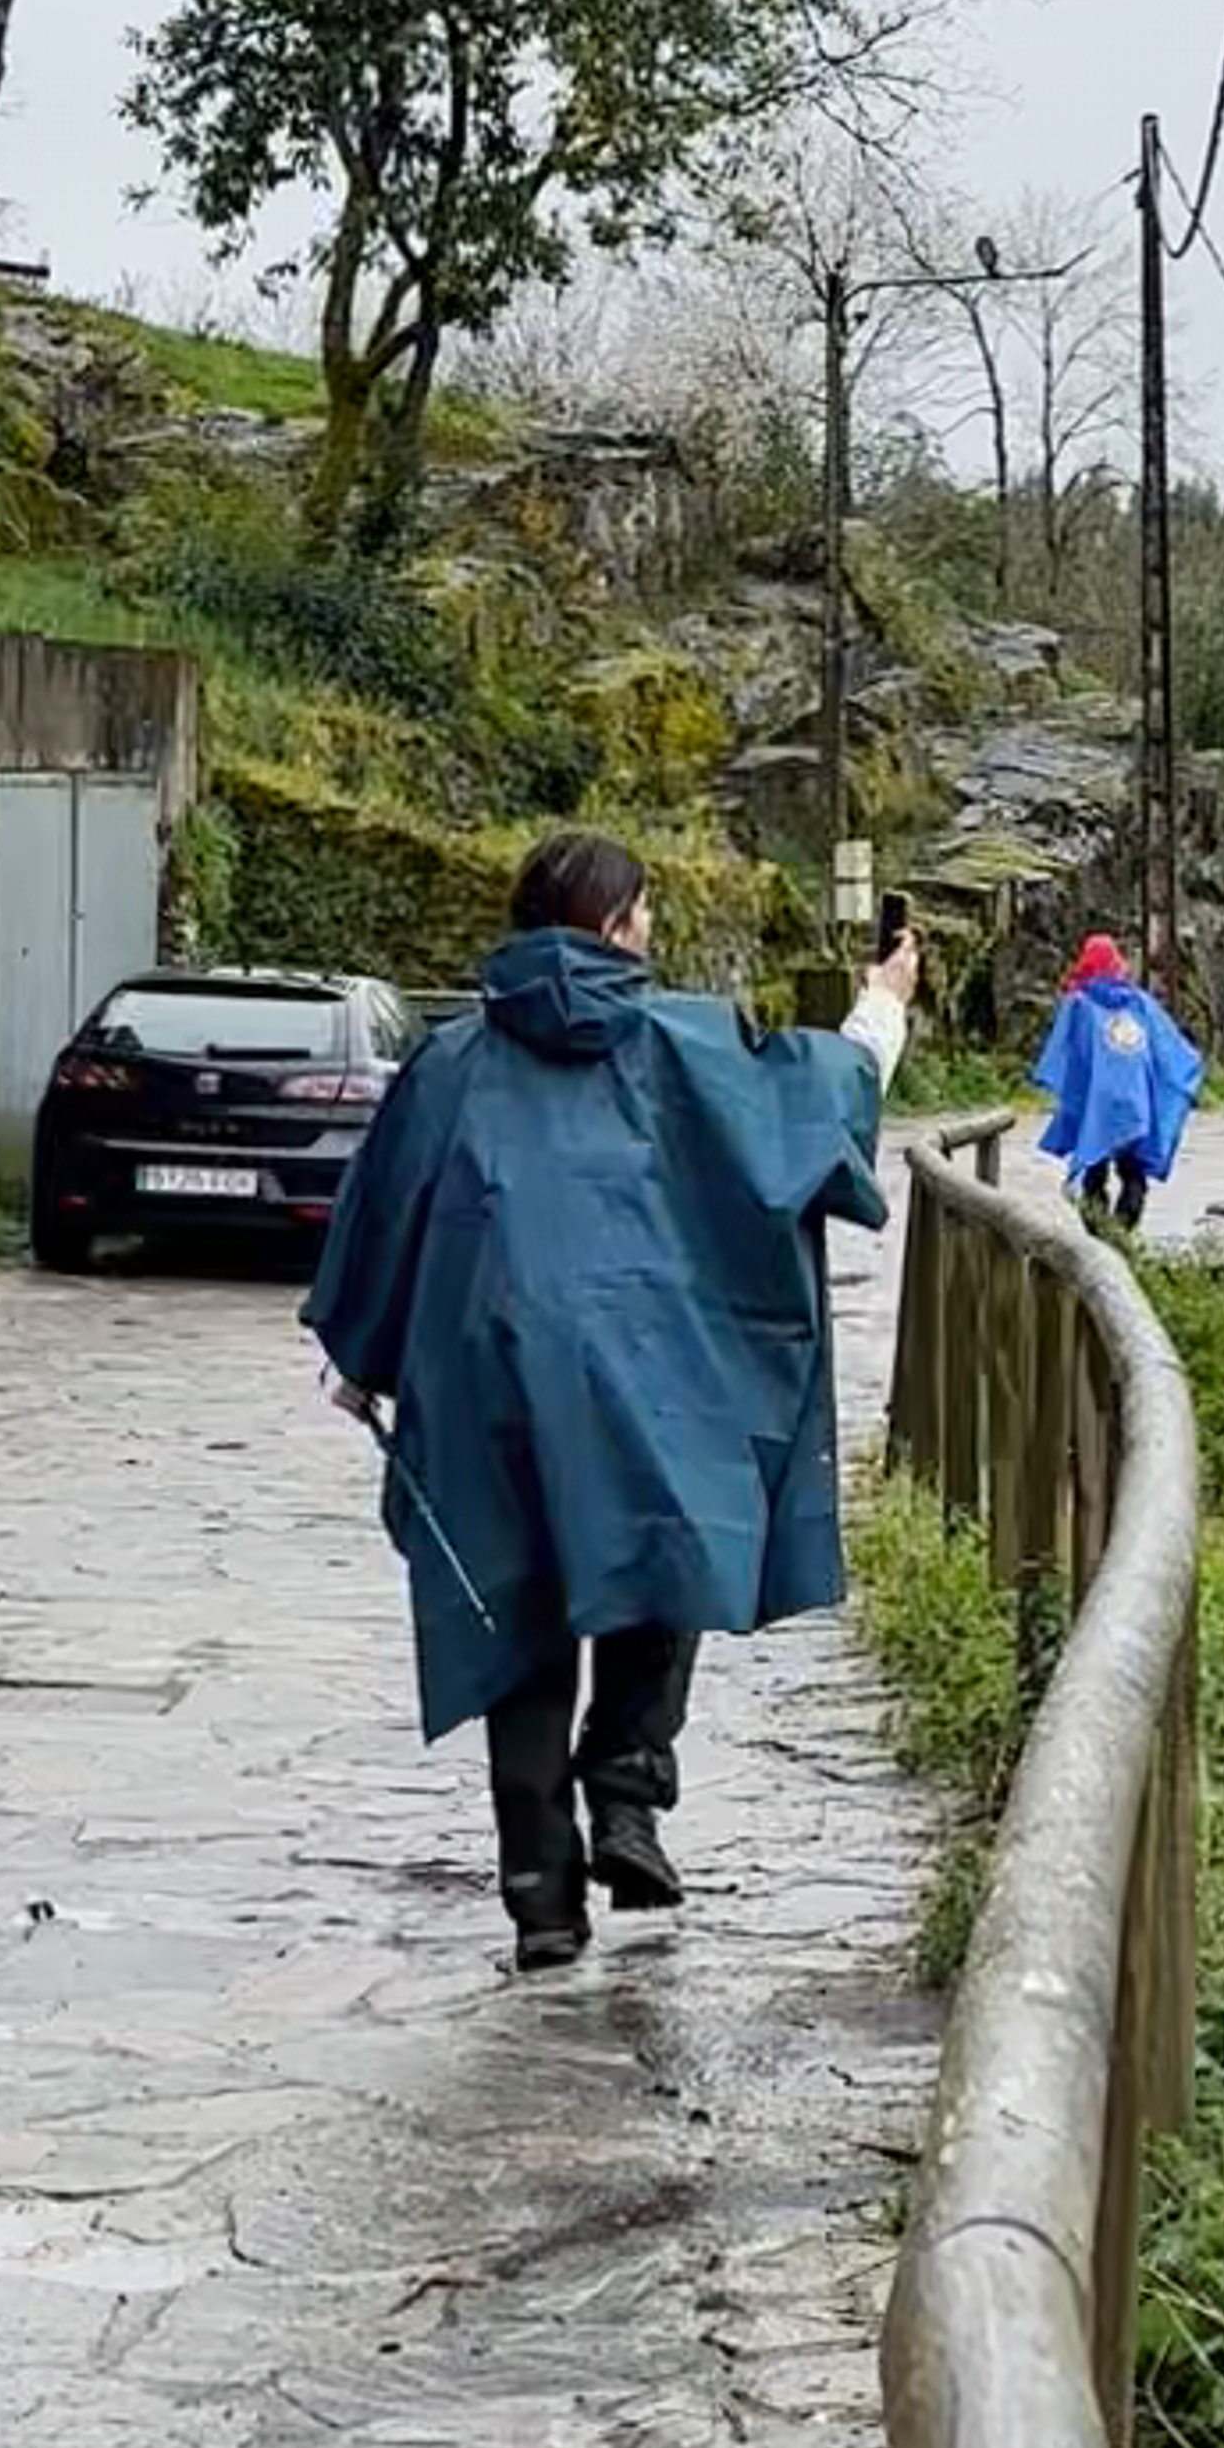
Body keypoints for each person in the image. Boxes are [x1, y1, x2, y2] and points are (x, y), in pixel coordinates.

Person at [307, 825, 920, 1973]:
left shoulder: (449, 1063)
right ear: (614, 926)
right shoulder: (681, 1041)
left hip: (490, 1382)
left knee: (516, 1607)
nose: (649, 934)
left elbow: (388, 1211)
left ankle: (541, 1891)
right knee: (666, 1554)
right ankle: (629, 1790)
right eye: (641, 916)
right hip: (656, 1374)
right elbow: (809, 1103)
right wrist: (883, 1000)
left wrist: (362, 1359)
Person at [1029, 930, 1203, 1234]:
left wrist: (1066, 1090)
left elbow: (1068, 1053)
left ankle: (1098, 1232)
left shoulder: (1079, 1004)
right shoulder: (1139, 1003)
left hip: (1098, 1100)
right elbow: (1164, 1047)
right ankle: (1123, 1230)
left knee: (1094, 1166)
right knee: (1133, 1171)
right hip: (1136, 1099)